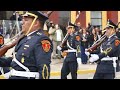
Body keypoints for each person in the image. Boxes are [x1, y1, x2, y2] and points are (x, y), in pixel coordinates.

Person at [0, 11, 53, 79]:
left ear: (36, 23)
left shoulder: (42, 40)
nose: (22, 22)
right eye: (23, 19)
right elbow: (16, 61)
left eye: (26, 20)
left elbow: (44, 68)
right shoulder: (24, 38)